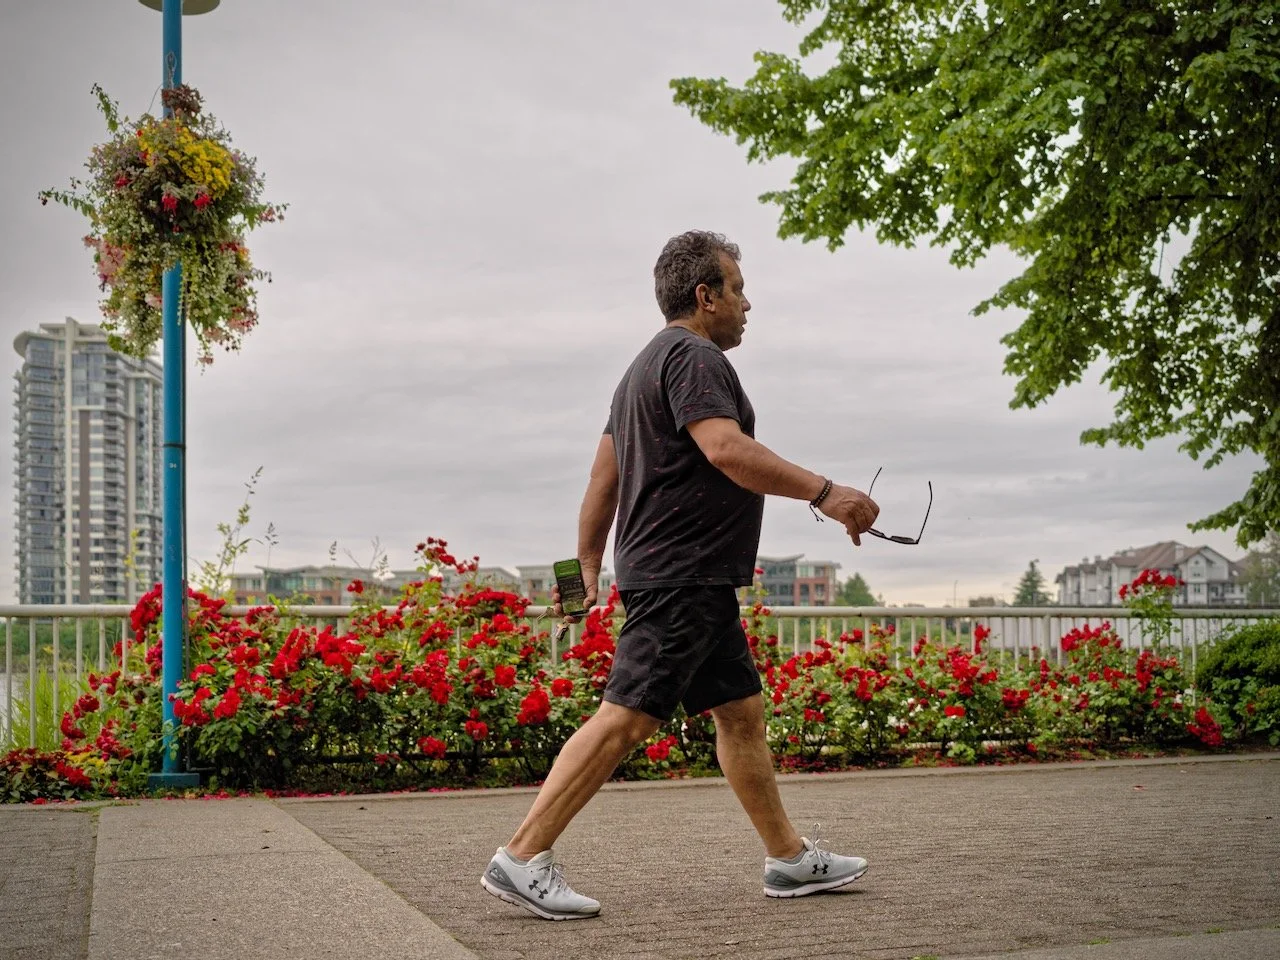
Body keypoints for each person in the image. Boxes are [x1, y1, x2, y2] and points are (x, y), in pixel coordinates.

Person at [480, 230, 881, 921]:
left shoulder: (639, 369)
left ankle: (788, 860)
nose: (748, 303)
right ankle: (521, 856)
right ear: (706, 296)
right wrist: (826, 492)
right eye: (739, 288)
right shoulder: (694, 357)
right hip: (682, 574)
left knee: (741, 714)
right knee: (626, 717)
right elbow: (727, 449)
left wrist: (582, 572)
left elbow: (601, 479)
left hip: (687, 577)